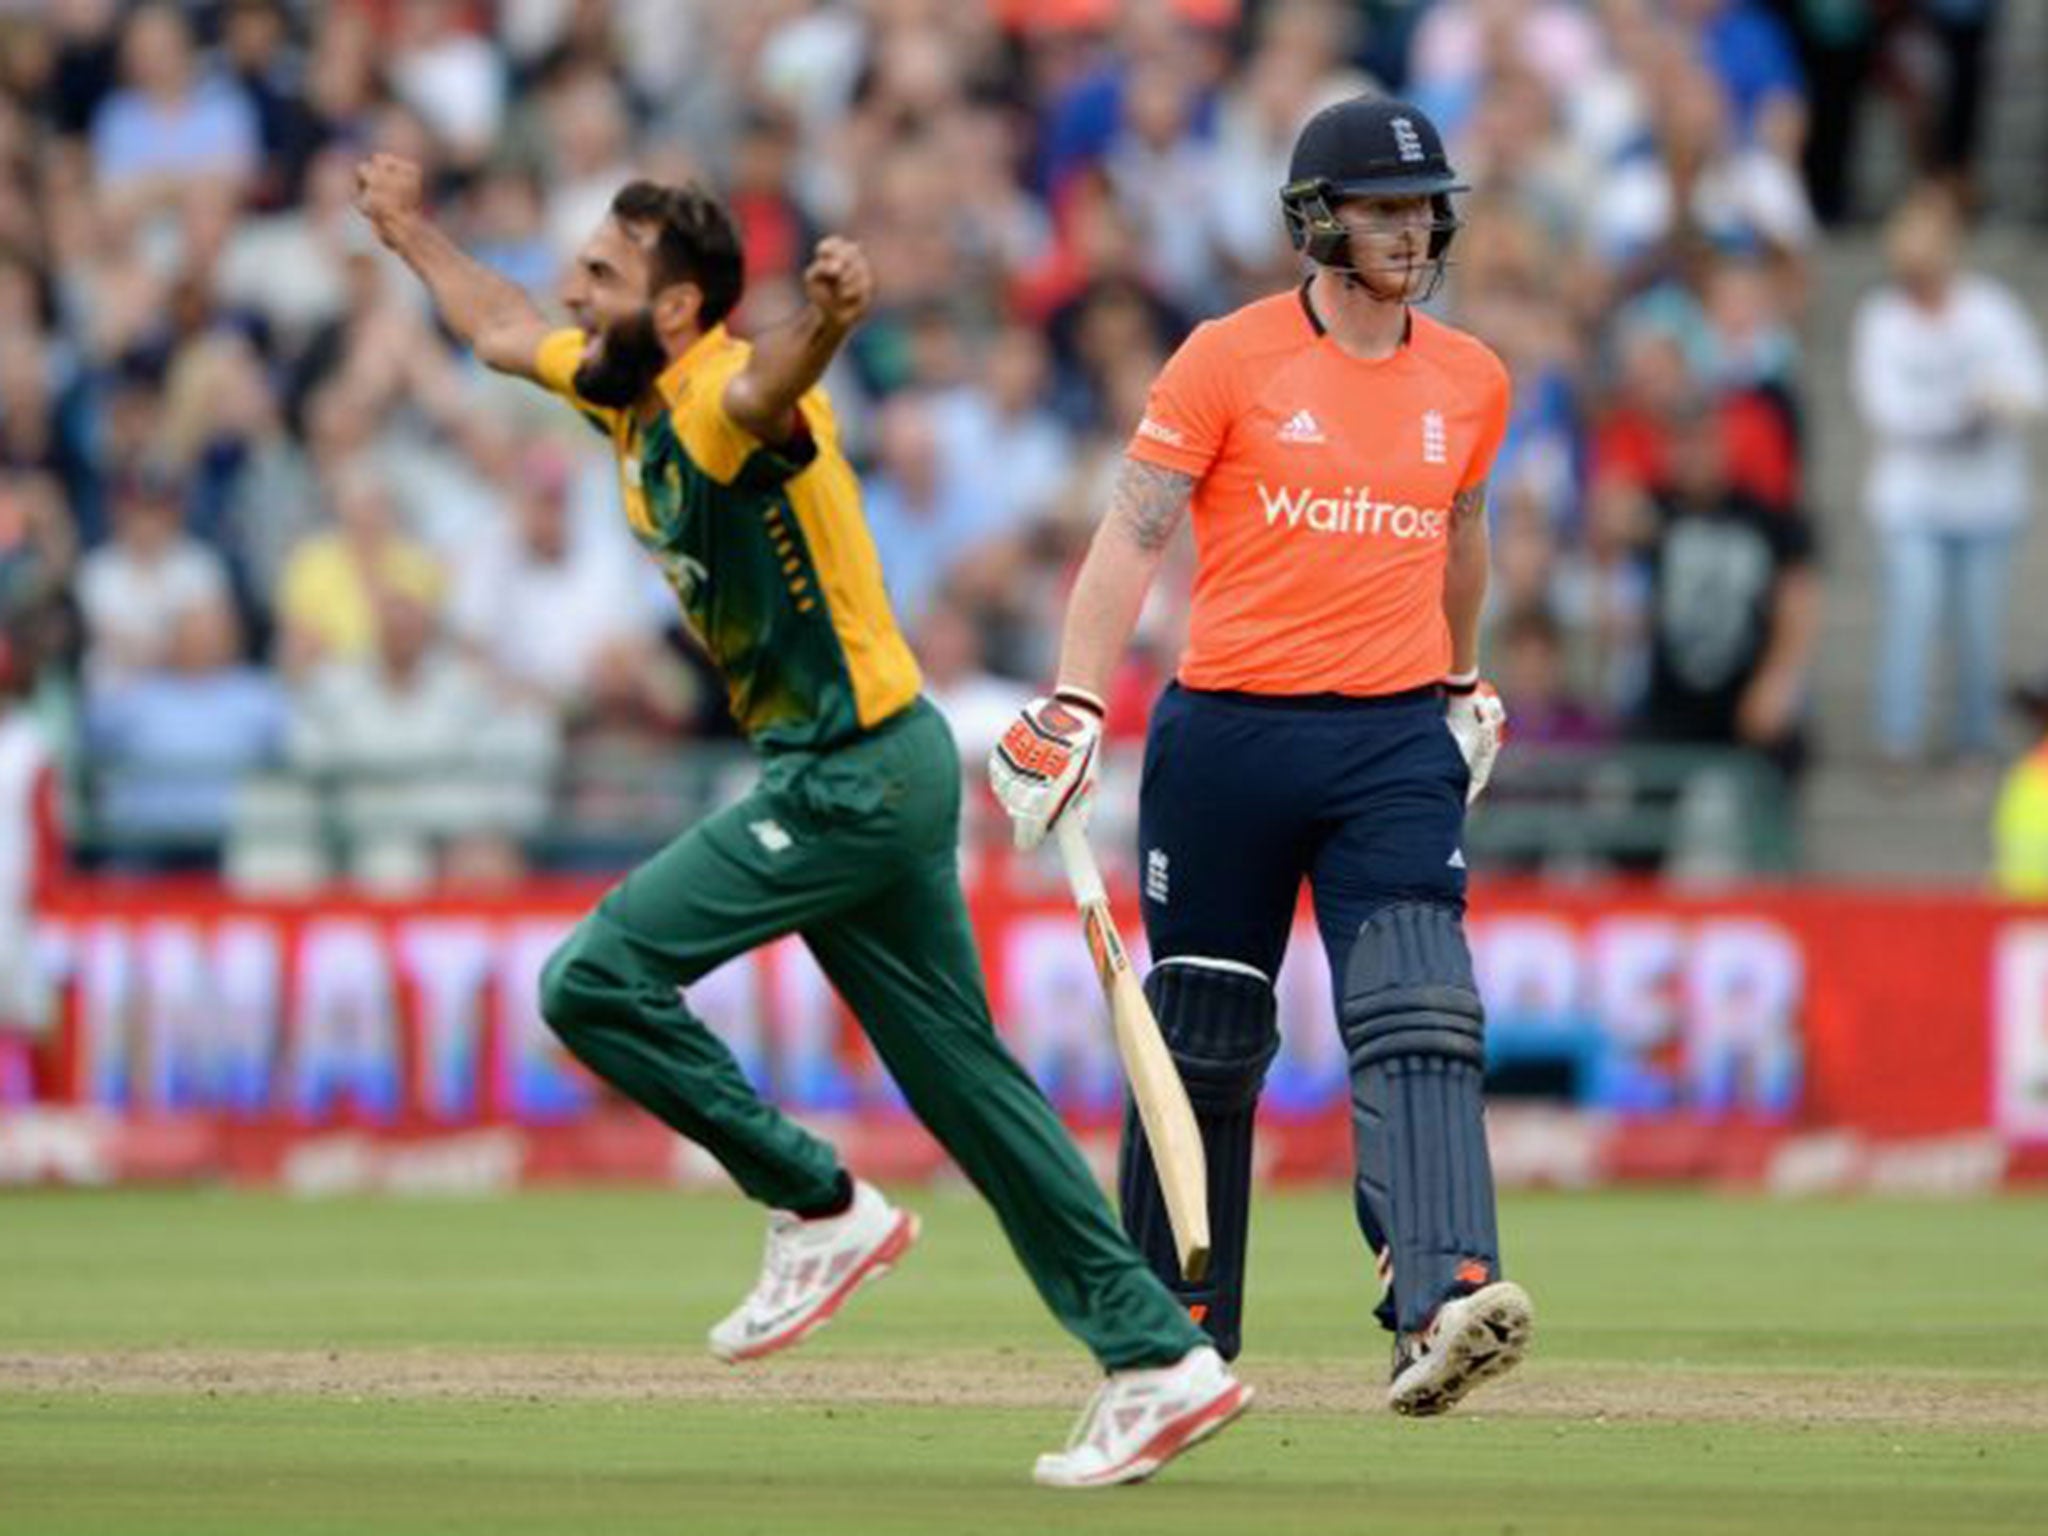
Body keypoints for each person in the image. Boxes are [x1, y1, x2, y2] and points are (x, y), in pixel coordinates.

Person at [353, 154, 1249, 1488]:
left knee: (592, 979)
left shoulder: (714, 398)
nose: (566, 289)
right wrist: (406, 231)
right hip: (877, 773)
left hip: (845, 783)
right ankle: (1159, 1358)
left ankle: (817, 1203)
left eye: (599, 275)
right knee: (975, 1093)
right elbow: (492, 325)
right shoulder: (621, 390)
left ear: (672, 310)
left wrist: (827, 321)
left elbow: (772, 389)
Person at [990, 95, 1533, 1418]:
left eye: (1423, 207)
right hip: (1225, 739)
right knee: (1203, 1042)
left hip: (1393, 738)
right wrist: (1074, 703)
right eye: (1382, 208)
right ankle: (1166, 1336)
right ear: (1317, 221)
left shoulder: (1470, 378)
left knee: (1417, 1004)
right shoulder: (1228, 359)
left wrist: (1461, 683)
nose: (1410, 229)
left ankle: (1444, 1293)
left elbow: (1461, 543)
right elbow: (1132, 535)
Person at [1853, 185, 2048, 777]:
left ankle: (1972, 738)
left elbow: (2034, 385)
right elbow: (1886, 410)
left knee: (1979, 626)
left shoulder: (1989, 310)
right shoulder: (1882, 321)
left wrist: (2004, 403)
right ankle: (1898, 736)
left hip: (1986, 500)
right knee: (1911, 612)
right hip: (1914, 497)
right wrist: (1960, 411)